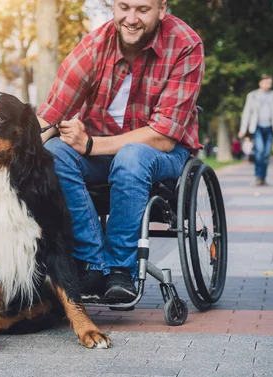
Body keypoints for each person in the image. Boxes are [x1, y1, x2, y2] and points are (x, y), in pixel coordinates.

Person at [37, 0, 203, 302]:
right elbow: (48, 116)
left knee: (132, 155)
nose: (131, 18)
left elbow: (164, 136)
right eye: (124, 7)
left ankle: (120, 270)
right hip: (99, 154)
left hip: (164, 153)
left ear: (162, 9)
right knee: (54, 151)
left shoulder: (185, 45)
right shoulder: (93, 46)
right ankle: (92, 263)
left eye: (143, 9)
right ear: (114, 6)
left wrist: (91, 145)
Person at [238, 74, 273, 186]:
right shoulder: (252, 95)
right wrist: (243, 129)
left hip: (271, 127)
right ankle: (258, 176)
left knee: (266, 153)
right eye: (266, 82)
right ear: (260, 83)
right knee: (260, 151)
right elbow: (247, 113)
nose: (268, 85)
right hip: (257, 127)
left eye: (270, 83)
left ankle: (263, 177)